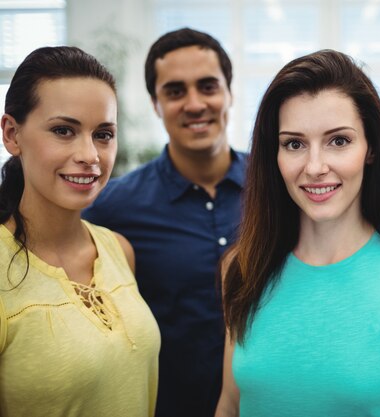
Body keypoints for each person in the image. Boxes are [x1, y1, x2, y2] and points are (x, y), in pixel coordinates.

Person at [215, 49, 380, 417]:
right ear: (275, 156)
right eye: (294, 144)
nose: (315, 167)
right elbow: (231, 404)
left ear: (372, 149)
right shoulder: (242, 266)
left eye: (339, 141)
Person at [83, 28, 246, 417]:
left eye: (208, 86)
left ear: (229, 93)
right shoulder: (112, 207)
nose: (194, 104)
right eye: (175, 91)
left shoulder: (279, 189)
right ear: (156, 104)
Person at [0, 46, 160, 417]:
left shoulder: (118, 249)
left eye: (103, 134)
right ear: (12, 134)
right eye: (63, 130)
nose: (90, 155)